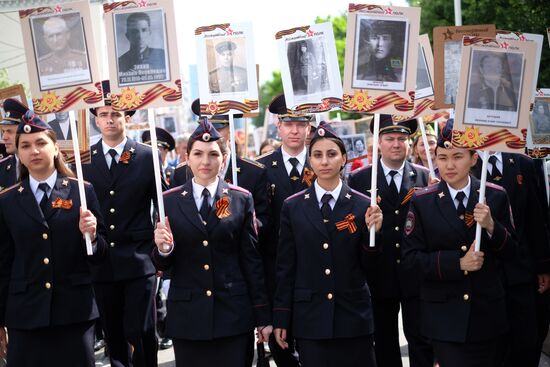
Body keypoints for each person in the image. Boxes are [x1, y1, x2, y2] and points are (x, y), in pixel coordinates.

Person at [152, 119, 272, 366]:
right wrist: (164, 250)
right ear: (187, 157)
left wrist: (262, 314)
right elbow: (164, 265)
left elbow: (251, 260)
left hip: (233, 314)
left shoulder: (240, 199)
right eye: (198, 154)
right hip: (188, 316)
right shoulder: (169, 201)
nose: (205, 161)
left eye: (213, 154)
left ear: (224, 159)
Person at [402, 119, 519, 366]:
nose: (449, 165)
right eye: (442, 157)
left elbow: (513, 253)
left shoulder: (494, 195)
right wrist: (458, 263)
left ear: (474, 158)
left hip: (487, 315)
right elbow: (411, 260)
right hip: (445, 319)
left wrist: (490, 226)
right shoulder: (423, 201)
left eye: (457, 156)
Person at [0, 111, 106, 366]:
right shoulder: (7, 200)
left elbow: (101, 255)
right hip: (25, 313)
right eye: (25, 146)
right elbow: (2, 264)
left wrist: (90, 236)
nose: (33, 151)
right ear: (18, 153)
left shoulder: (82, 191)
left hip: (73, 311)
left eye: (41, 143)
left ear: (56, 148)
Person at [273, 121, 382, 366]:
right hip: (311, 319)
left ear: (344, 158)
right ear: (309, 160)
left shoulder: (364, 205)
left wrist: (373, 236)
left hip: (353, 317)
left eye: (331, 154)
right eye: (318, 155)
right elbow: (286, 267)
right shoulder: (293, 206)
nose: (324, 162)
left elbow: (371, 267)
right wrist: (281, 317)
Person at [82, 81, 164, 367]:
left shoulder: (146, 156)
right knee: (113, 334)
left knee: (141, 331)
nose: (109, 119)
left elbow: (161, 206)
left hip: (139, 258)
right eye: (103, 114)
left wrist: (160, 245)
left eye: (115, 114)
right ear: (95, 119)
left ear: (126, 118)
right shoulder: (83, 159)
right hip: (101, 261)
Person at [348, 115, 432, 367]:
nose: (396, 144)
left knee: (421, 339)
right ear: (379, 142)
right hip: (379, 273)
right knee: (384, 342)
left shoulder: (425, 177)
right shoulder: (361, 179)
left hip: (415, 272)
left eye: (402, 138)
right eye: (390, 138)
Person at [472, 150, 550, 367]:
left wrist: (543, 265)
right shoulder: (464, 161)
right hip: (483, 272)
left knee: (526, 340)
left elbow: (536, 216)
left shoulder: (523, 163)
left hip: (521, 270)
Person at [256, 94, 314, 367]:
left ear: (309, 127)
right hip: (275, 270)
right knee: (281, 348)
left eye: (301, 123)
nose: (294, 130)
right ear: (277, 126)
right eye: (288, 123)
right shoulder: (259, 168)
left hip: (316, 268)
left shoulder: (323, 162)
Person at [170, 99, 269, 235]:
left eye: (219, 127)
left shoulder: (254, 172)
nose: (211, 133)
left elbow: (264, 218)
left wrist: (241, 222)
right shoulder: (182, 172)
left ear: (230, 130)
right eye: (205, 127)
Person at [0, 99, 27, 191]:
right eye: (3, 131)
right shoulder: (1, 167)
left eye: (10, 131)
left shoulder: (40, 165)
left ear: (24, 132)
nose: (4, 137)